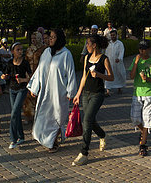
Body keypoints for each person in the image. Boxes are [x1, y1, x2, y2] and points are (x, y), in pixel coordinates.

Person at [27, 28, 78, 152]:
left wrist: (71, 92)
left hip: (59, 93)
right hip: (45, 92)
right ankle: (49, 140)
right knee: (44, 117)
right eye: (50, 37)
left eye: (53, 37)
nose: (50, 39)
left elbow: (71, 74)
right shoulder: (46, 52)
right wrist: (34, 87)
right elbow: (39, 71)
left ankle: (53, 142)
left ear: (59, 39)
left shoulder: (66, 54)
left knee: (57, 117)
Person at [71, 35, 114, 166]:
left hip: (98, 94)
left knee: (87, 120)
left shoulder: (104, 59)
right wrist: (78, 94)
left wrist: (99, 75)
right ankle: (103, 135)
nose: (86, 46)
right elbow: (84, 77)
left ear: (94, 45)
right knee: (91, 120)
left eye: (88, 44)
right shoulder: (86, 58)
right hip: (86, 94)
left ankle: (84, 153)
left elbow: (111, 77)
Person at [129, 40, 151, 157]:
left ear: (149, 49)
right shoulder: (136, 60)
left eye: (144, 49)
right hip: (137, 93)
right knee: (135, 119)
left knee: (147, 118)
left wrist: (147, 79)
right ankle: (144, 132)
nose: (142, 51)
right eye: (140, 49)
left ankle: (143, 144)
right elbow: (131, 76)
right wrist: (136, 62)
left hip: (149, 93)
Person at [1, 42, 32, 149]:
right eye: (18, 50)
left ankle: (13, 140)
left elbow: (32, 77)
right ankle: (21, 137)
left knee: (14, 112)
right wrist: (4, 77)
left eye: (21, 49)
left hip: (22, 90)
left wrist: (23, 79)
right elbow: (6, 75)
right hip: (12, 90)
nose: (20, 51)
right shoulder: (10, 63)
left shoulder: (25, 63)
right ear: (12, 51)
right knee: (16, 113)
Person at [23, 31, 47, 124]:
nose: (33, 40)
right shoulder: (29, 49)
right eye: (32, 38)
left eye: (35, 38)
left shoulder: (45, 49)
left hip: (40, 74)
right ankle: (29, 117)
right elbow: (26, 61)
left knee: (39, 96)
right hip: (29, 75)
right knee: (28, 97)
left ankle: (39, 116)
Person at [104, 29, 126, 95]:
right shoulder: (108, 43)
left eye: (114, 35)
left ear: (116, 35)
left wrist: (119, 58)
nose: (113, 36)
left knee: (118, 75)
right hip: (109, 63)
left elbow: (121, 51)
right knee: (108, 74)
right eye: (111, 35)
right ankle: (108, 90)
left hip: (117, 63)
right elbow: (106, 52)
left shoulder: (120, 43)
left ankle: (119, 88)